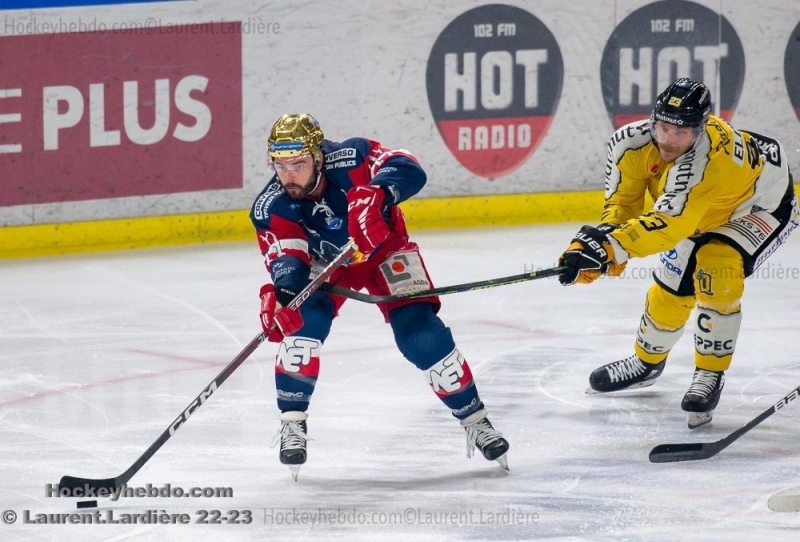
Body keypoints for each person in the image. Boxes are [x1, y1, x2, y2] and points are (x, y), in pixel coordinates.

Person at [249, 113, 509, 477]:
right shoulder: (271, 205)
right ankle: (292, 422)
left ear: (318, 157)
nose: (289, 175)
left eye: (298, 164)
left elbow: (409, 167)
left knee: (420, 334)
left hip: (385, 251)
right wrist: (284, 296)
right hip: (328, 264)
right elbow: (289, 259)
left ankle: (476, 419)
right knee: (303, 325)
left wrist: (380, 192)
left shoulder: (352, 157)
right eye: (281, 165)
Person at [557, 78, 798, 429]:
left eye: (681, 132)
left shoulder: (711, 158)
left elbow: (671, 225)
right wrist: (598, 246)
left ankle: (709, 373)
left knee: (717, 269)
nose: (668, 140)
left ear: (699, 130)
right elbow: (622, 206)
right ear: (653, 120)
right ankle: (646, 362)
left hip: (758, 207)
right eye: (663, 128)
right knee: (670, 292)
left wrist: (612, 248)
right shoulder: (629, 144)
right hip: (696, 213)